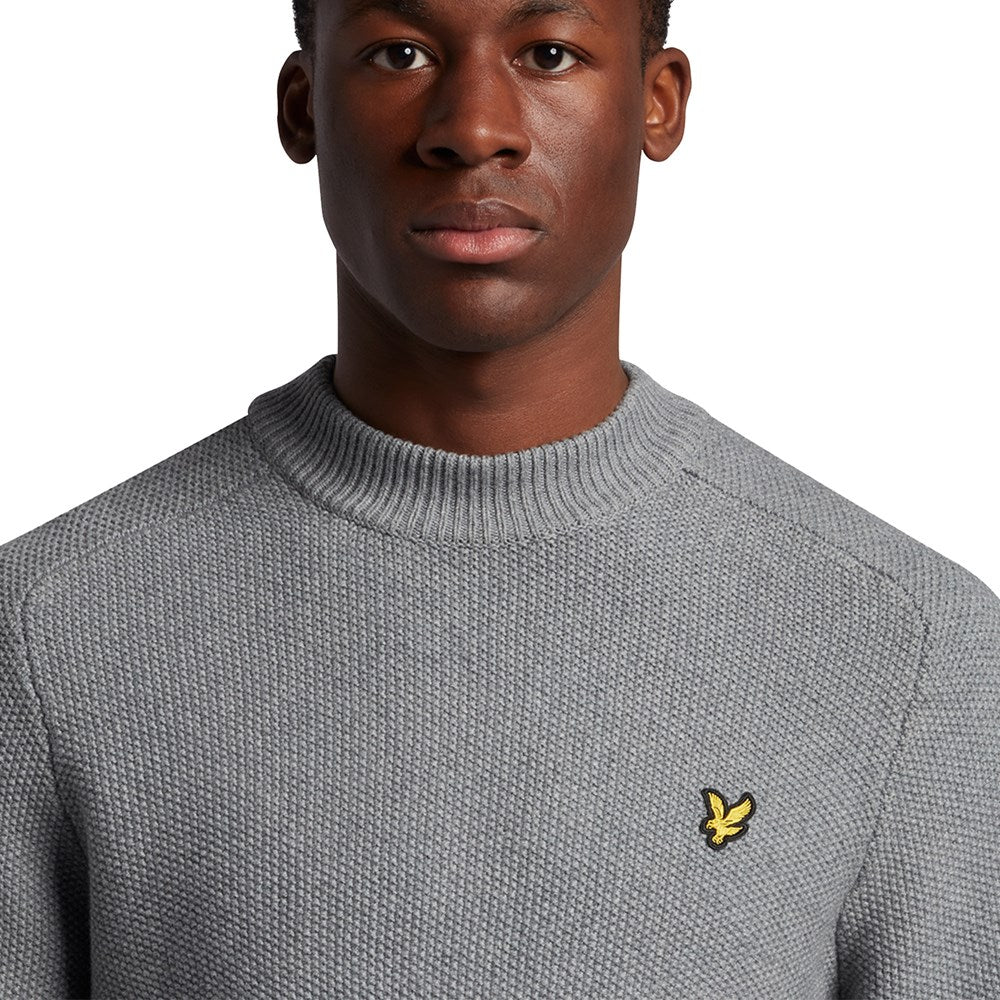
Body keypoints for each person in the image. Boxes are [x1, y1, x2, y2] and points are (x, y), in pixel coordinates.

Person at [1, 0, 997, 996]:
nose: (474, 128)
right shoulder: (49, 628)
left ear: (657, 102)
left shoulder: (908, 646)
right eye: (400, 53)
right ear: (303, 107)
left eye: (549, 54)